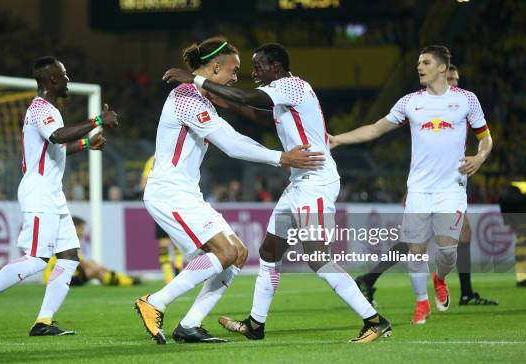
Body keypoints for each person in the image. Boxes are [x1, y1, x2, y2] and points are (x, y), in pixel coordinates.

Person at [163, 42, 392, 343]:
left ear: (276, 67)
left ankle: (375, 321)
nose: (253, 72)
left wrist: (196, 79)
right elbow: (261, 114)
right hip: (300, 182)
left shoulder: (291, 86)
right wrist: (228, 104)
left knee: (317, 256)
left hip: (316, 181)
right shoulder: (286, 95)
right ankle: (256, 324)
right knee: (270, 251)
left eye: (258, 66)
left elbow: (248, 97)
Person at [135, 37, 323, 344]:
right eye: (233, 70)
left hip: (186, 193)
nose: (236, 77)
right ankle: (154, 302)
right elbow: (232, 145)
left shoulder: (203, 100)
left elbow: (235, 134)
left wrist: (278, 154)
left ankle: (190, 325)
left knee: (237, 254)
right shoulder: (185, 96)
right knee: (223, 253)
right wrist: (280, 157)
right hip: (169, 192)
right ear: (215, 66)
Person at [0, 56, 119, 337]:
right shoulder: (40, 109)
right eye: (64, 74)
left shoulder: (50, 110)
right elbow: (57, 136)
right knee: (36, 259)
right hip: (39, 193)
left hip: (52, 194)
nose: (68, 78)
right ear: (53, 79)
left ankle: (43, 321)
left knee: (68, 257)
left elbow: (55, 148)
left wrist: (85, 143)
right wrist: (96, 121)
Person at [331, 46, 493, 324]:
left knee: (447, 251)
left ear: (442, 67)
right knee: (415, 252)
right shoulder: (409, 102)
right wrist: (338, 139)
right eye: (419, 62)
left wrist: (480, 157)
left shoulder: (467, 100)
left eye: (426, 62)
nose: (420, 67)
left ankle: (440, 278)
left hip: (451, 189)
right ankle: (421, 303)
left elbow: (486, 138)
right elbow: (376, 128)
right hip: (418, 189)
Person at [43, 217, 141, 287]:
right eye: (81, 228)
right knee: (94, 270)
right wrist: (107, 270)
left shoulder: (64, 239)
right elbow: (85, 264)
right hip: (59, 279)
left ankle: (122, 280)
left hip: (61, 276)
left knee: (93, 266)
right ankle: (126, 280)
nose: (83, 232)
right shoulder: (69, 241)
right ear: (74, 228)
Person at [139, 155, 184, 283]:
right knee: (178, 240)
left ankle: (169, 278)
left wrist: (139, 190)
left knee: (163, 244)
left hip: (160, 204)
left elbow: (143, 182)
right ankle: (178, 268)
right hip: (178, 203)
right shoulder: (180, 155)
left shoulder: (154, 158)